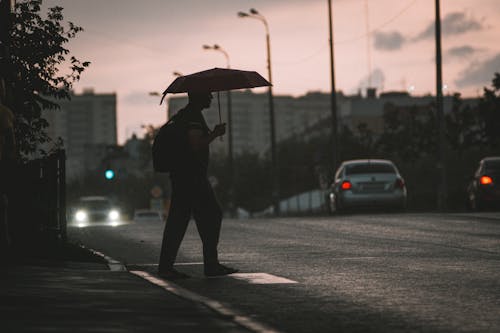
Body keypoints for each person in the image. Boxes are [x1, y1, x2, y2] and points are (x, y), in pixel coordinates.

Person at [158, 91, 238, 279]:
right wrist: (215, 134)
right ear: (198, 97)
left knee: (181, 220)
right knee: (212, 214)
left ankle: (168, 266)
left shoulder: (185, 115)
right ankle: (210, 265)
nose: (210, 97)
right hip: (191, 177)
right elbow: (195, 144)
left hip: (183, 176)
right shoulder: (193, 116)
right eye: (207, 95)